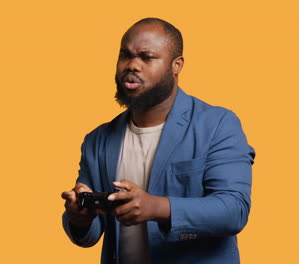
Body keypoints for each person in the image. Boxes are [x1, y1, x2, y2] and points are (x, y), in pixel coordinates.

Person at [61, 17, 255, 264]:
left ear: (177, 65)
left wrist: (157, 208)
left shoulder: (218, 124)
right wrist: (80, 218)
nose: (132, 65)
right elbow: (89, 234)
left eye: (147, 57)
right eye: (125, 55)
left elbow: (233, 210)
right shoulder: (97, 140)